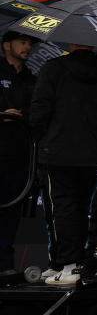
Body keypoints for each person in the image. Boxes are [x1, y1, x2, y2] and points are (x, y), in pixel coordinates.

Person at [28, 44, 97, 286]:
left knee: (62, 208)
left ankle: (68, 265)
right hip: (94, 154)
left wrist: (39, 140)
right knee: (82, 207)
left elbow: (39, 112)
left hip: (58, 152)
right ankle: (69, 264)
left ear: (72, 43)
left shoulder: (53, 69)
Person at [0, 31, 35, 278]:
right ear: (6, 45)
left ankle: (4, 266)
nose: (28, 46)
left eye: (30, 43)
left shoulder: (33, 79)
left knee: (11, 211)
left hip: (19, 155)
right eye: (22, 42)